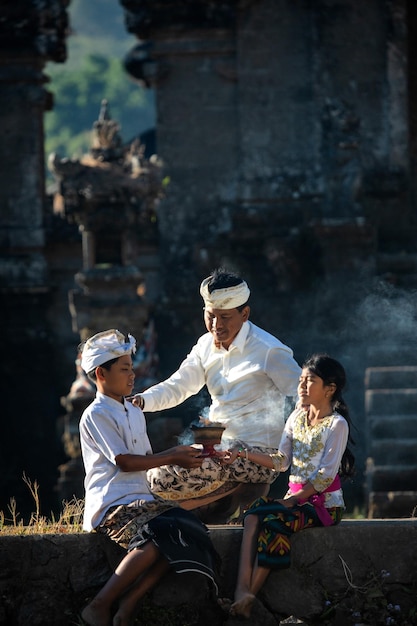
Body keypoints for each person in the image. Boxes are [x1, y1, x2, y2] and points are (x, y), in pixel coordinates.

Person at [131, 268, 301, 519]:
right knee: (157, 473)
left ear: (245, 314)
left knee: (163, 480)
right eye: (211, 316)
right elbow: (179, 385)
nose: (216, 325)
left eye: (225, 317)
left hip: (257, 454)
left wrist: (287, 451)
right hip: (218, 449)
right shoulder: (204, 346)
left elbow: (304, 397)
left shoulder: (269, 350)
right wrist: (141, 401)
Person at [78, 329, 219, 626]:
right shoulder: (96, 414)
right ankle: (100, 604)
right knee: (159, 535)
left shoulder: (133, 411)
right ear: (101, 374)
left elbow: (146, 462)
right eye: (125, 369)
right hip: (112, 504)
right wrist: (174, 455)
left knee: (187, 529)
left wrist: (185, 460)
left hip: (142, 500)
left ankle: (130, 601)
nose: (133, 376)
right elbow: (126, 462)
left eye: (133, 368)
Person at [219, 353, 355, 618]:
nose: (301, 386)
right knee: (252, 515)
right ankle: (241, 590)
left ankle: (249, 596)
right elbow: (281, 462)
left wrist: (293, 500)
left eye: (310, 381)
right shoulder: (295, 418)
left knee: (272, 521)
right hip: (295, 501)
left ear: (330, 389)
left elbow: (325, 477)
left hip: (324, 505)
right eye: (301, 380)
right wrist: (243, 453)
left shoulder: (336, 425)